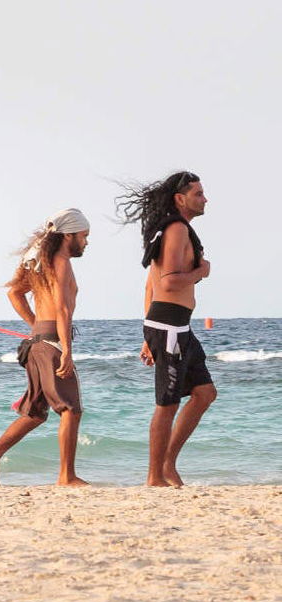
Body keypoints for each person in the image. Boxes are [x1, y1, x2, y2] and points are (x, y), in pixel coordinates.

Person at [0, 208, 91, 487]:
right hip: (51, 342)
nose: (86, 242)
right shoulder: (60, 262)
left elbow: (14, 293)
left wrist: (35, 326)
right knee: (71, 409)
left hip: (38, 341)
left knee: (36, 413)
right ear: (68, 235)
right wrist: (66, 350)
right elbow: (62, 309)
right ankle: (66, 477)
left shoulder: (39, 262)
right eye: (83, 236)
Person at [118, 171, 215, 487]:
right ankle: (154, 477)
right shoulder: (176, 230)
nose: (205, 199)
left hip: (175, 326)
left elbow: (150, 285)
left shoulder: (174, 229)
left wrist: (148, 335)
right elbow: (169, 282)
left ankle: (167, 464)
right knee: (167, 403)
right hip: (169, 325)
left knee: (204, 393)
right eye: (198, 193)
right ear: (180, 198)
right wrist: (201, 271)